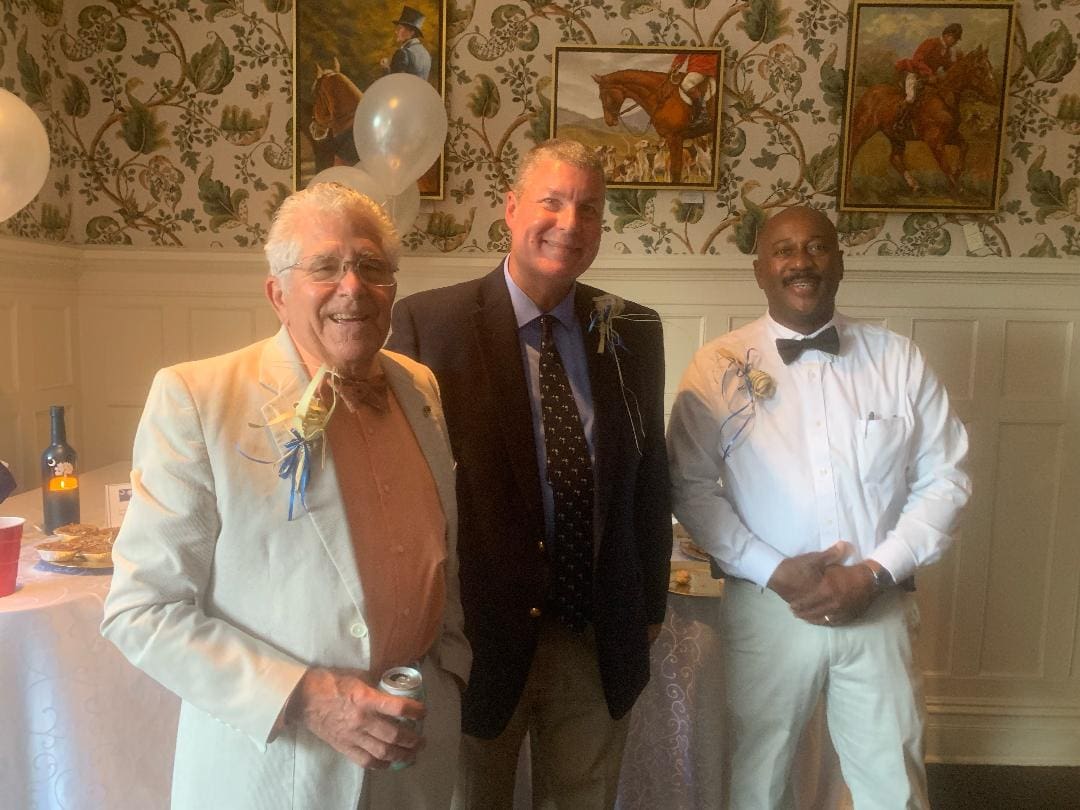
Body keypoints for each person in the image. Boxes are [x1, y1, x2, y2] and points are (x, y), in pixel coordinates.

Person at [101, 183, 470, 810]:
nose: (353, 287)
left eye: (372, 266)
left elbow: (440, 554)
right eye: (325, 267)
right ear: (278, 293)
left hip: (415, 750)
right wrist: (309, 698)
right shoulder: (198, 398)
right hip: (280, 768)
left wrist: (449, 669)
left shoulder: (419, 386)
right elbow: (142, 610)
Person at [388, 139, 671, 809]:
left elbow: (649, 475)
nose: (570, 223)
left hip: (593, 635)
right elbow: (402, 491)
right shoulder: (429, 324)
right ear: (511, 209)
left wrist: (650, 605)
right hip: (475, 636)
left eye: (589, 208)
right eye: (552, 202)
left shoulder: (633, 328)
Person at [667, 206, 971, 809]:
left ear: (840, 261)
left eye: (816, 247)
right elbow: (690, 486)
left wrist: (875, 572)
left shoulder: (898, 360)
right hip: (768, 609)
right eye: (783, 250)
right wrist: (773, 569)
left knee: (894, 779)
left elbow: (947, 478)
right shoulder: (716, 367)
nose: (800, 263)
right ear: (760, 269)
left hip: (878, 605)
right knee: (757, 780)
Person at [894, 23, 963, 130]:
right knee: (911, 97)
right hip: (913, 72)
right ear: (947, 35)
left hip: (928, 78)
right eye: (955, 39)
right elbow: (917, 60)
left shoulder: (947, 51)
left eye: (957, 40)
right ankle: (900, 121)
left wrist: (959, 64)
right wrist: (929, 74)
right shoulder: (931, 43)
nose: (955, 42)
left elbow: (947, 66)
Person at [380, 5, 432, 80]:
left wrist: (385, 68)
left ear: (411, 32)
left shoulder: (402, 53)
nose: (396, 31)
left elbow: (393, 83)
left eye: (400, 28)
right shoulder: (426, 55)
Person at [670, 52, 719, 130]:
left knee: (686, 84)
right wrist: (675, 66)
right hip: (697, 67)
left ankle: (703, 113)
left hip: (703, 67)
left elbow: (684, 52)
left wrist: (675, 66)